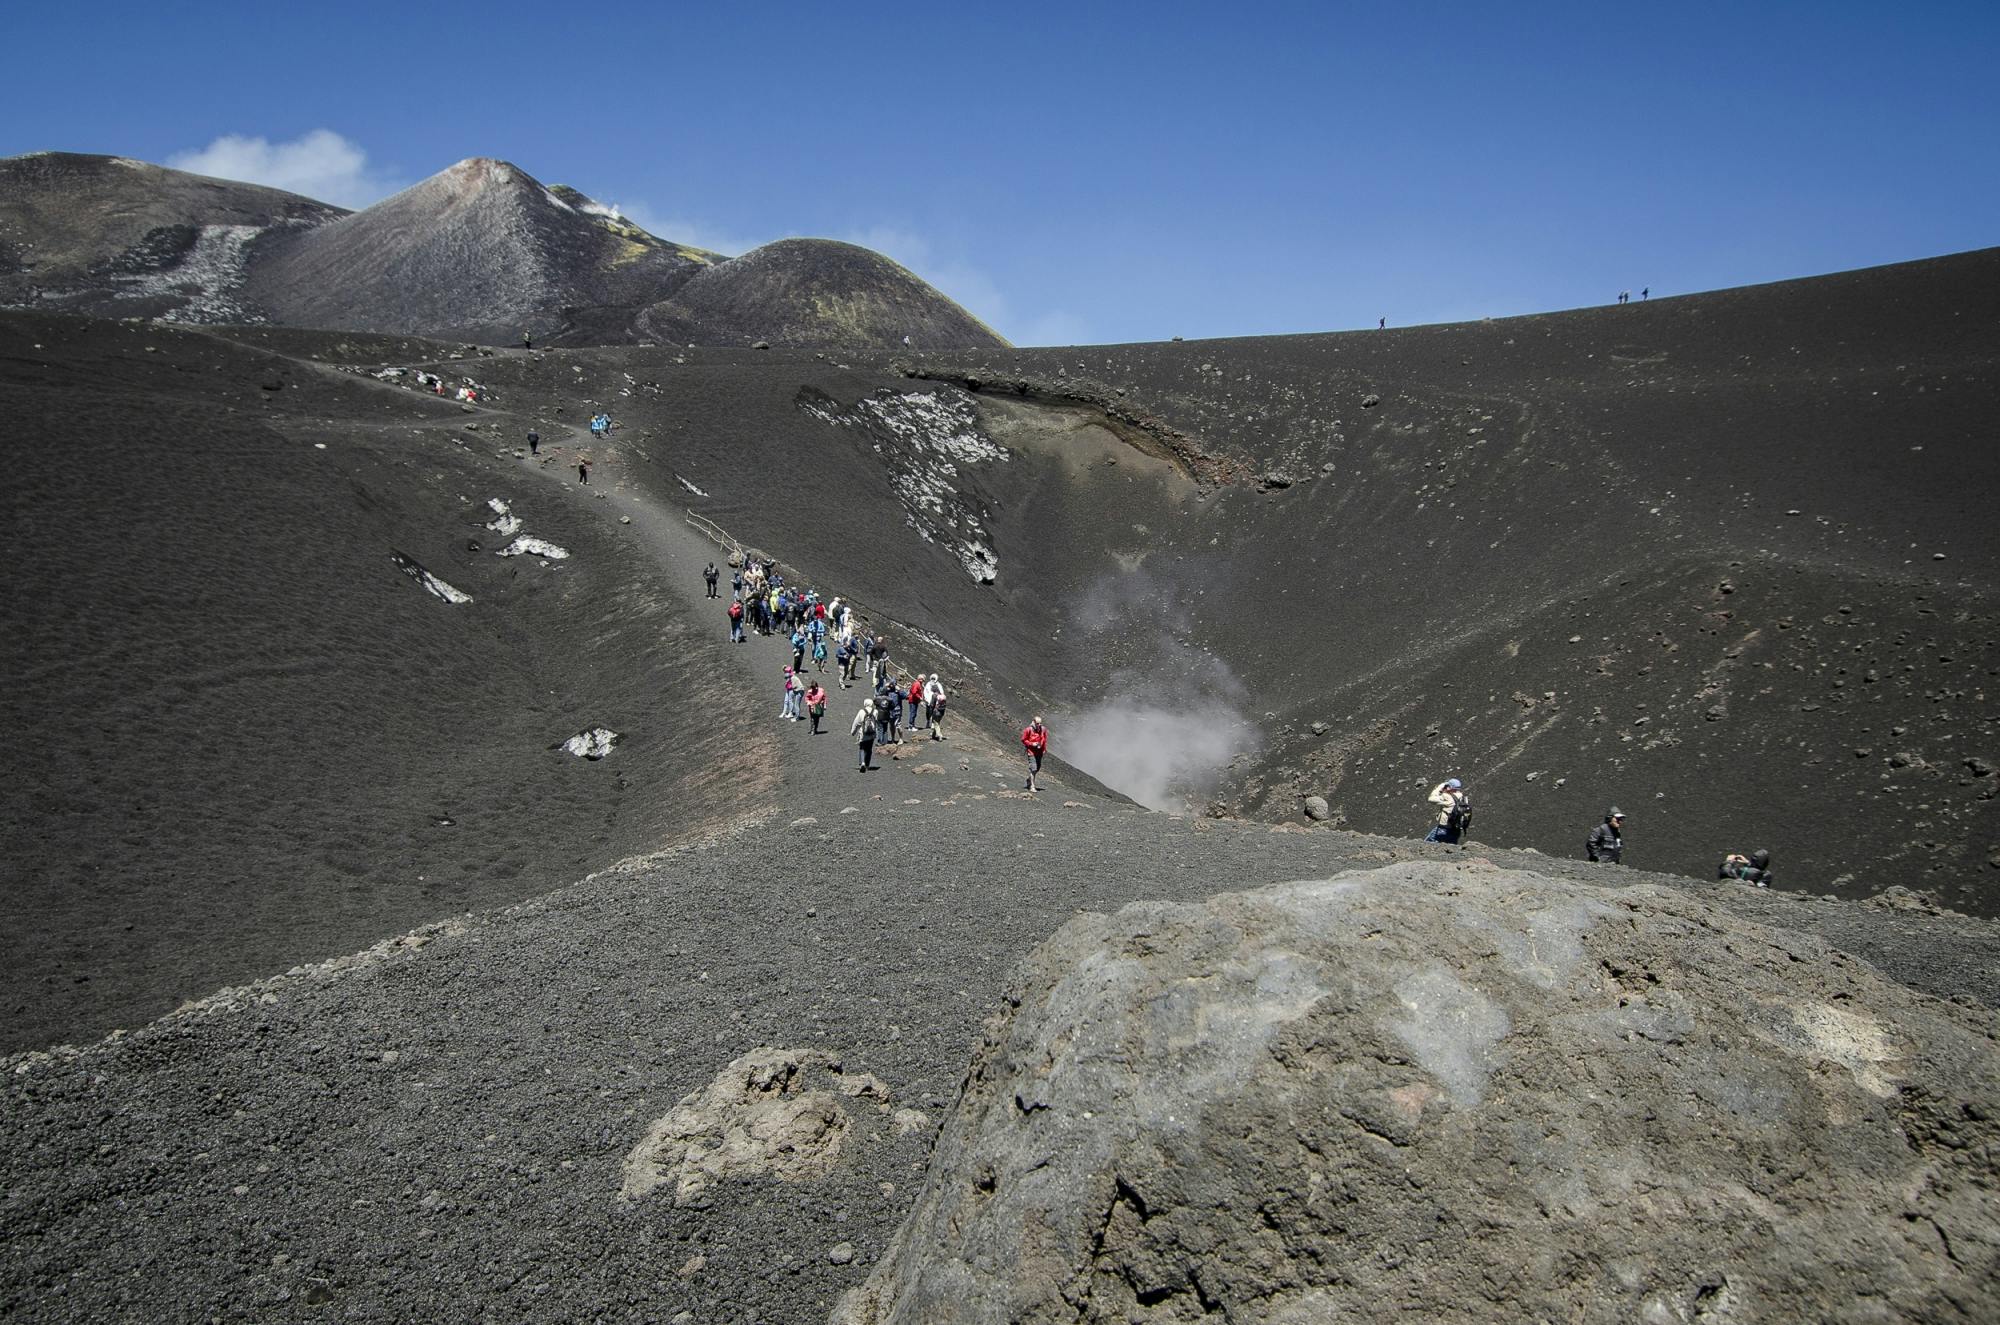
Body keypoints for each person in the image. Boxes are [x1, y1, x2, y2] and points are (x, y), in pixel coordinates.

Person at [1425, 778, 1470, 844]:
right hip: (1456, 830)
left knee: (1426, 845)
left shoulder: (1446, 797)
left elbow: (1431, 799)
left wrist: (1440, 787)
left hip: (1443, 829)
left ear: (1449, 787)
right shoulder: (1462, 797)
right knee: (1450, 849)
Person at [1022, 716, 1049, 791]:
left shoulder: (1043, 729)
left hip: (1039, 751)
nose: (1039, 725)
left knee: (1038, 767)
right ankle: (1032, 786)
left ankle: (1029, 780)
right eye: (1037, 723)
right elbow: (1024, 740)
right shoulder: (1028, 730)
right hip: (1031, 751)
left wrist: (1044, 749)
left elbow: (1044, 739)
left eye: (1040, 723)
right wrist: (1031, 744)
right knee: (1033, 768)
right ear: (1033, 722)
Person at [851, 698, 878, 771]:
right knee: (869, 749)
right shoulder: (875, 711)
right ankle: (867, 765)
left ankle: (862, 763)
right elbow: (877, 722)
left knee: (862, 747)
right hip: (872, 733)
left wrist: (853, 732)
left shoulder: (861, 711)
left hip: (863, 733)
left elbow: (856, 722)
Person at [923, 673, 947, 740]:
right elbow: (925, 691)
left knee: (935, 722)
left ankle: (939, 735)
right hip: (941, 710)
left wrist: (931, 706)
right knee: (937, 722)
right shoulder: (942, 696)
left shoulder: (935, 695)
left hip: (935, 710)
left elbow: (932, 705)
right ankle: (933, 735)